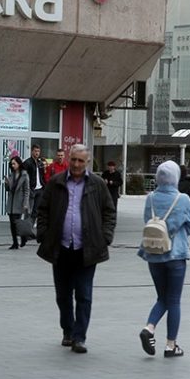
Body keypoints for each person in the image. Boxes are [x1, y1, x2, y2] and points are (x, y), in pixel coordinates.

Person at [36, 144, 115, 354]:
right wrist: (43, 234)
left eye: (81, 161)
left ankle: (79, 337)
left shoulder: (97, 184)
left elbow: (109, 212)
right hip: (60, 248)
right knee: (62, 295)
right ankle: (68, 331)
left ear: (87, 162)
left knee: (84, 295)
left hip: (86, 250)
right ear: (68, 160)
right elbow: (42, 209)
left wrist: (105, 237)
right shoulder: (56, 182)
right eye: (74, 160)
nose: (77, 164)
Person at [137, 161, 190, 358]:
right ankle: (171, 345)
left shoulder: (151, 198)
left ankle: (149, 327)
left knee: (162, 297)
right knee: (174, 300)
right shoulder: (183, 199)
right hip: (176, 255)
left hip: (153, 254)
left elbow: (148, 221)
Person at [3, 156, 30, 250]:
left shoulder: (24, 174)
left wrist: (26, 203)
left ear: (19, 164)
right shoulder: (11, 175)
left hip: (20, 202)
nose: (13, 165)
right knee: (12, 224)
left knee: (17, 223)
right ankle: (15, 243)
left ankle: (23, 238)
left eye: (14, 163)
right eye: (11, 164)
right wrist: (6, 184)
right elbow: (8, 189)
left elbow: (27, 190)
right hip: (11, 202)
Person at [23, 143, 46, 217]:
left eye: (38, 151)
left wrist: (43, 186)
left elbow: (42, 176)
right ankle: (27, 226)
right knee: (29, 210)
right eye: (35, 151)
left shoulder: (40, 163)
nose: (37, 153)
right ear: (32, 151)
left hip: (39, 189)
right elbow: (23, 176)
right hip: (31, 189)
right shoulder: (27, 162)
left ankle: (31, 226)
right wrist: (27, 188)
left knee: (36, 211)